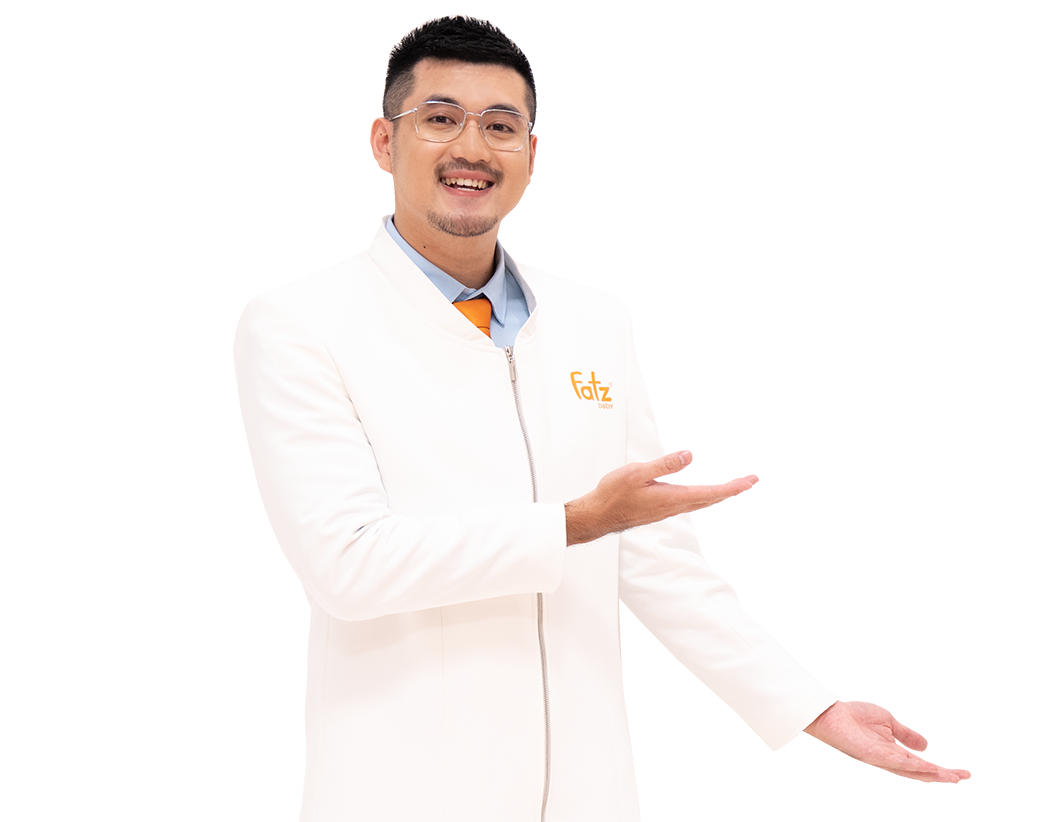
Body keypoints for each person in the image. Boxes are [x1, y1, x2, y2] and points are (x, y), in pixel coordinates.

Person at [234, 16, 969, 821]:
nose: (472, 148)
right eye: (440, 118)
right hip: (404, 793)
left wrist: (809, 707)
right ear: (384, 142)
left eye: (501, 126)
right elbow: (347, 565)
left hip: (588, 792)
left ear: (531, 153)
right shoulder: (303, 325)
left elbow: (655, 560)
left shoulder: (593, 325)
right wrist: (576, 523)